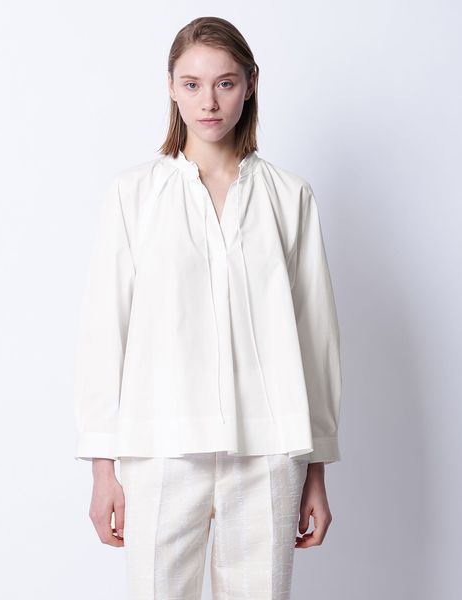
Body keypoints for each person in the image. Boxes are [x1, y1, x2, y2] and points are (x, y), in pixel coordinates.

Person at [73, 15, 342, 600]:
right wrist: (102, 466)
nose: (209, 102)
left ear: (250, 83)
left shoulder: (289, 197)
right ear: (171, 87)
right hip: (159, 447)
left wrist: (316, 467)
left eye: (225, 82)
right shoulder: (134, 195)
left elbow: (315, 337)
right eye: (192, 84)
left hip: (269, 450)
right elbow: (104, 331)